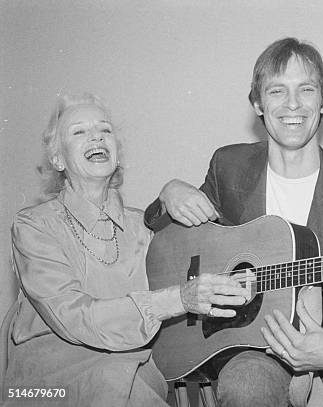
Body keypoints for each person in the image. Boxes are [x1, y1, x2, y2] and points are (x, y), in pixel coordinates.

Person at [144, 38, 323, 407]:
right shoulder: (229, 167)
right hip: (251, 347)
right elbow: (174, 240)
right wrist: (169, 194)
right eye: (277, 91)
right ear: (257, 104)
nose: (293, 104)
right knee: (246, 384)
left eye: (306, 90)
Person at [4, 93, 250, 407]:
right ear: (57, 160)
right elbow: (74, 316)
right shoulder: (33, 226)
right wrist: (178, 298)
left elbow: (216, 247)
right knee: (116, 381)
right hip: (47, 384)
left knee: (126, 380)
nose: (96, 136)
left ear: (117, 154)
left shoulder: (144, 226)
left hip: (132, 372)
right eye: (79, 132)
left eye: (104, 130)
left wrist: (172, 188)